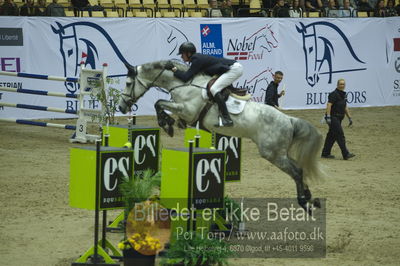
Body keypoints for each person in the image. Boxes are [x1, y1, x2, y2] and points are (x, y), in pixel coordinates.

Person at [165, 42, 243, 127]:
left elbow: (185, 77)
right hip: (231, 69)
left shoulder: (196, 59)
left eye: (182, 54)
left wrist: (174, 69)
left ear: (189, 53)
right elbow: (190, 75)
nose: (181, 56)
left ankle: (226, 119)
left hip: (234, 69)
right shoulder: (196, 59)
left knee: (214, 89)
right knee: (215, 89)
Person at [321, 79, 355, 160]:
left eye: (343, 84)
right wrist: (328, 117)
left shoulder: (344, 95)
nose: (342, 85)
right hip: (333, 117)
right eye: (340, 84)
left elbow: (345, 107)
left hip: (339, 118)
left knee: (331, 136)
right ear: (337, 85)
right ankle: (345, 154)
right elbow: (329, 105)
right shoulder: (334, 94)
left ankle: (325, 153)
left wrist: (349, 117)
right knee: (340, 135)